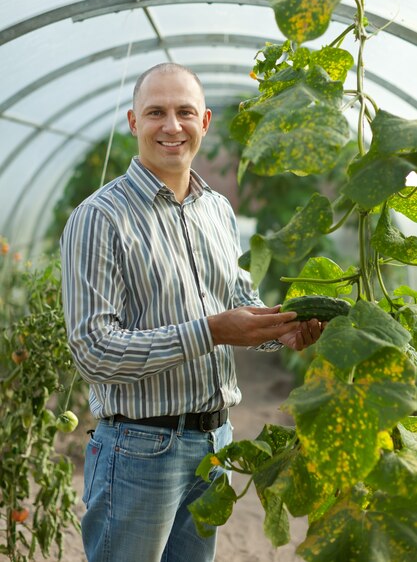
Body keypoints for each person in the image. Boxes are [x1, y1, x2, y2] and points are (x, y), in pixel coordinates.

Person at [60, 63, 322, 562]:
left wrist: (281, 334)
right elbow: (94, 352)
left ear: (204, 121)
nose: (172, 126)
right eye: (156, 112)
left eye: (184, 112)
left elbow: (236, 309)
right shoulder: (100, 217)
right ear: (134, 122)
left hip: (214, 444)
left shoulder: (217, 210)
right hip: (138, 450)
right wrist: (210, 331)